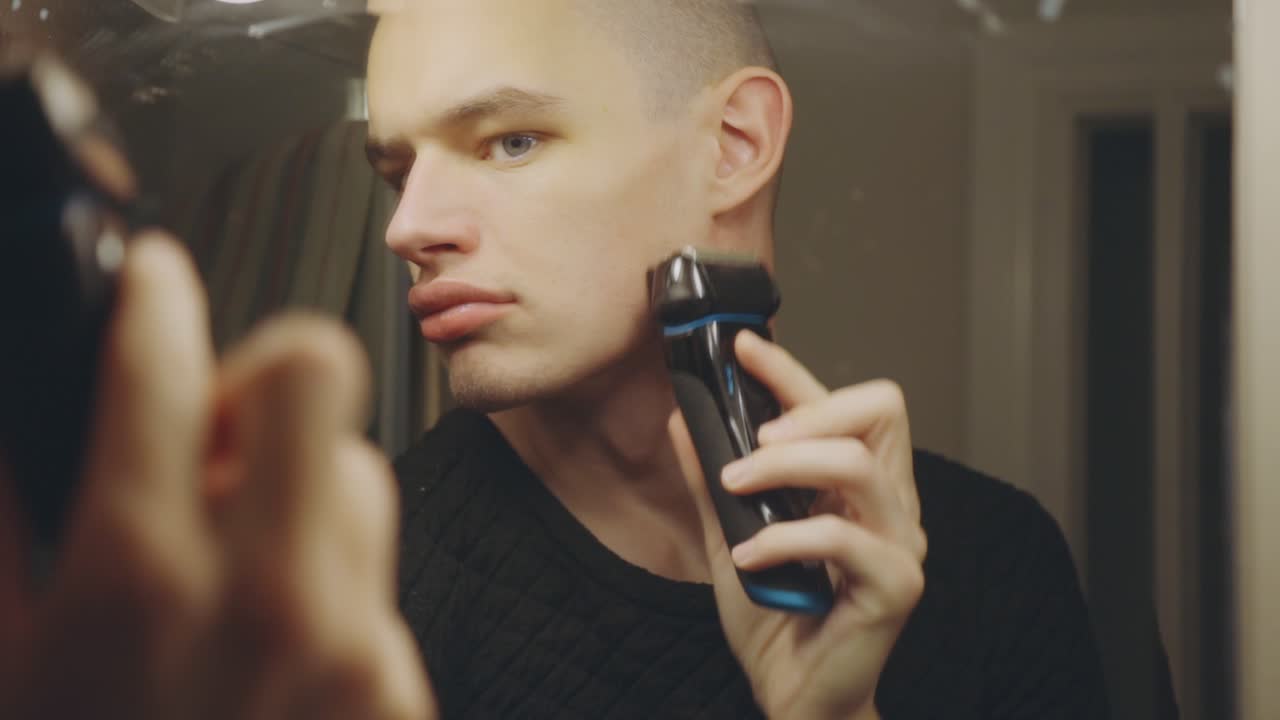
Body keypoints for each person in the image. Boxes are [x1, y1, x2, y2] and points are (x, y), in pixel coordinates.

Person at [367, 1, 1135, 718]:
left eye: (512, 141)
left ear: (736, 144)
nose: (409, 226)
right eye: (398, 173)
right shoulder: (357, 606)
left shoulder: (998, 560)